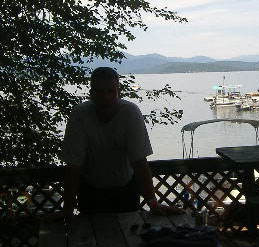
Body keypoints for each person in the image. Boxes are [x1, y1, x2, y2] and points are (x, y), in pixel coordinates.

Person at [61, 67, 183, 218]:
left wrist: (153, 204)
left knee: (129, 233)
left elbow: (139, 162)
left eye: (110, 91)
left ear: (119, 92)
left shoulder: (130, 113)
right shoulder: (79, 115)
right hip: (90, 191)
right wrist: (67, 210)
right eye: (99, 91)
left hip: (126, 189)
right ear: (91, 93)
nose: (105, 97)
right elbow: (73, 167)